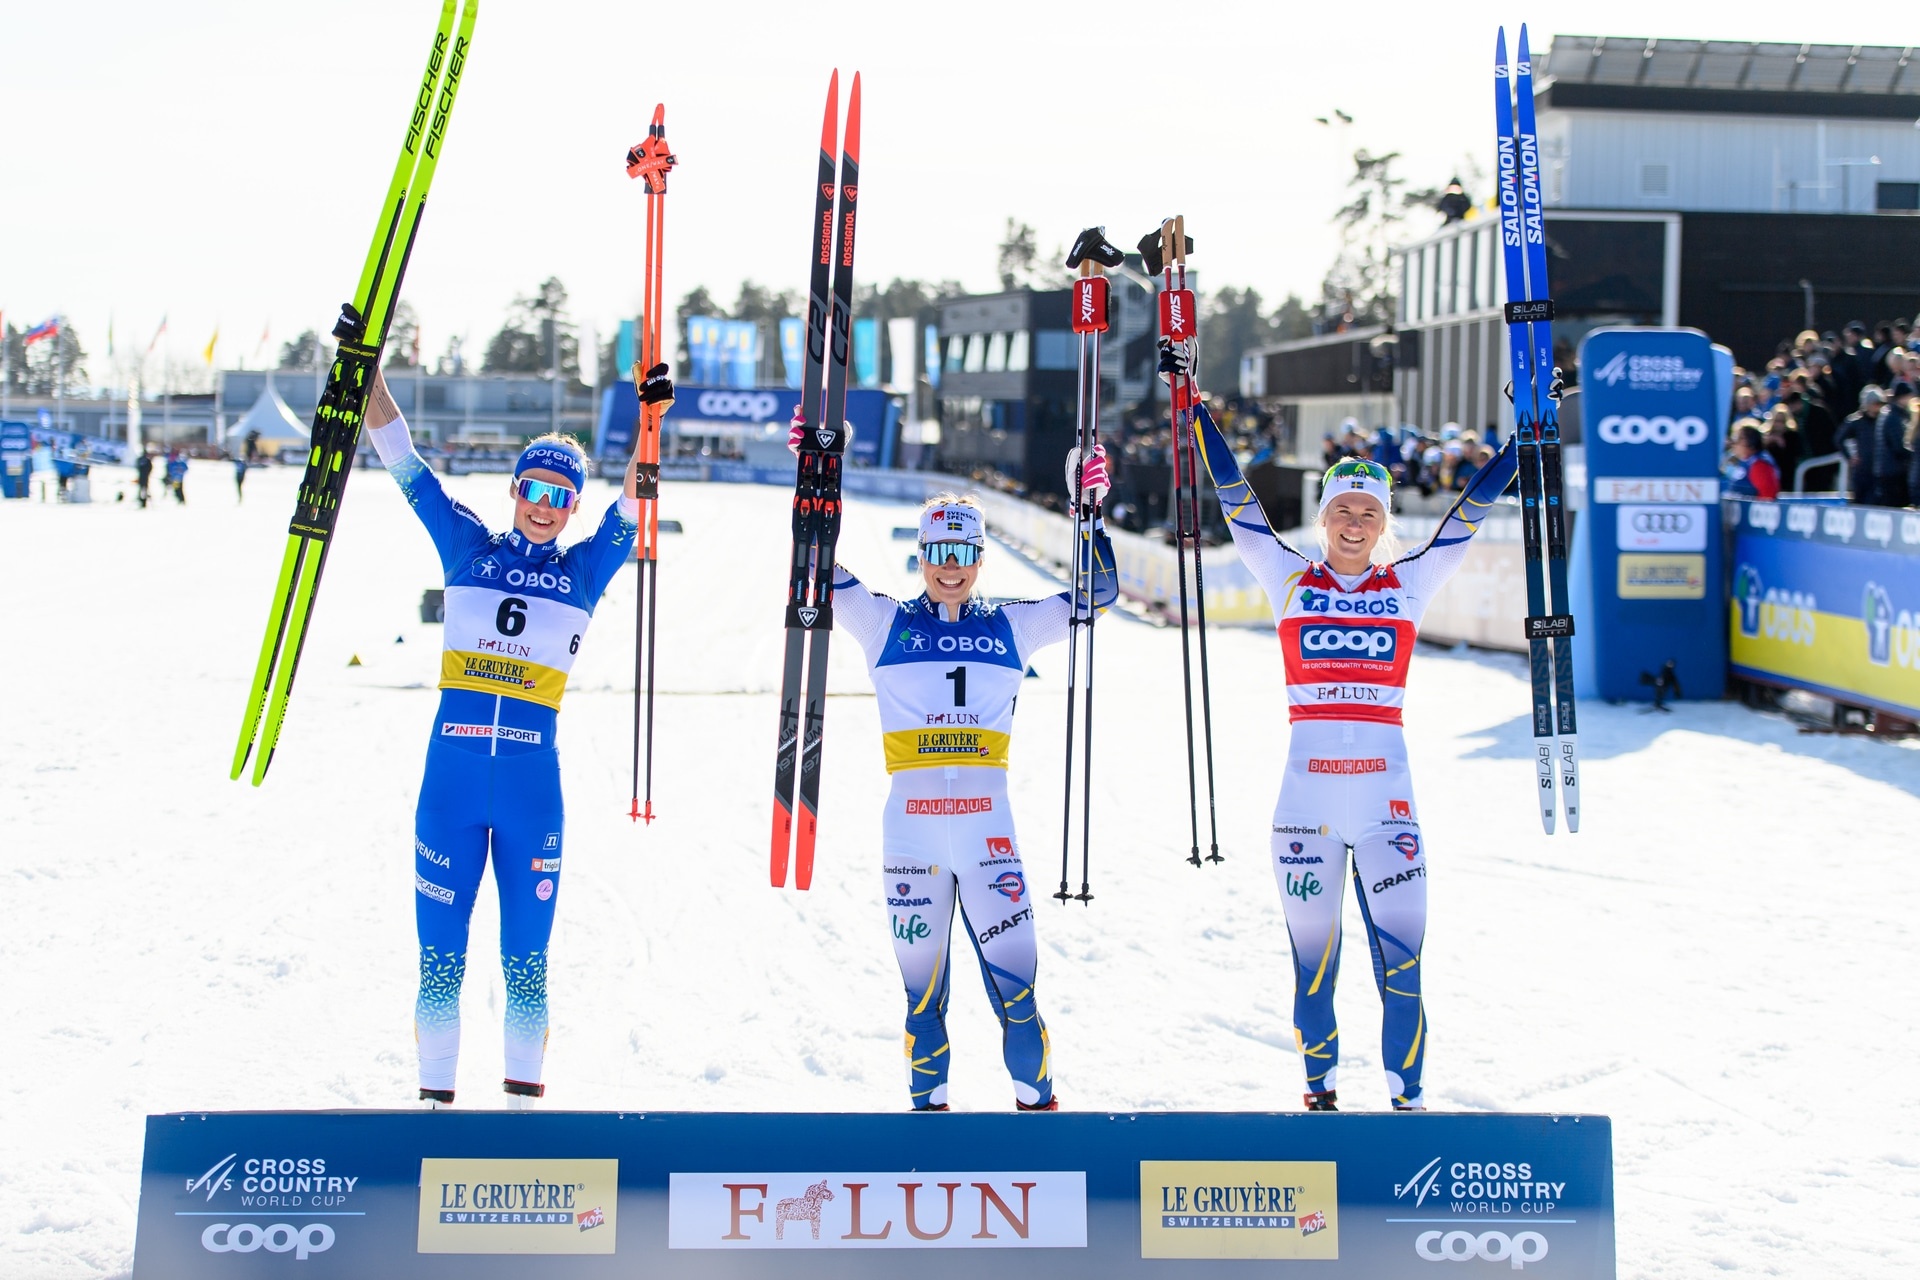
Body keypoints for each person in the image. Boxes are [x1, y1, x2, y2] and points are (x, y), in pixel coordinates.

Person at [1177, 338, 1518, 1112]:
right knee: (1314, 967)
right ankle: (1320, 1099)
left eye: (1368, 511)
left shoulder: (1410, 581)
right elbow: (1238, 504)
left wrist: (1515, 449)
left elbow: (1471, 512)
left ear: (1384, 520)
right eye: (1342, 511)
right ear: (1324, 518)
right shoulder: (1288, 576)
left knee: (1403, 968)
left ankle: (1408, 1104)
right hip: (1305, 811)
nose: (1355, 523)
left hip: (1386, 808)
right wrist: (1198, 414)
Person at [363, 361, 674, 1108]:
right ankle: (434, 1104)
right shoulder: (466, 546)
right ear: (514, 490)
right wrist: (365, 369)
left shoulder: (584, 572)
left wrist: (651, 422)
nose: (543, 506)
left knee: (526, 961)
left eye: (559, 497)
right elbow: (402, 459)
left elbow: (635, 501)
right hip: (452, 787)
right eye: (532, 489)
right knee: (440, 959)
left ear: (572, 508)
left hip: (534, 792)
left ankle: (520, 1110)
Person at [792, 414, 1117, 1111]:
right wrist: (819, 474)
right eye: (936, 549)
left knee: (1018, 997)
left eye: (962, 551)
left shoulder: (1013, 626)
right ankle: (929, 1126)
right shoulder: (885, 622)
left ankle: (1040, 1116)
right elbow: (812, 571)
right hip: (911, 838)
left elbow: (1098, 597)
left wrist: (1088, 516)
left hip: (986, 835)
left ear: (979, 559)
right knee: (922, 1003)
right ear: (920, 553)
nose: (949, 564)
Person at [1725, 423, 1780, 500]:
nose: (1734, 445)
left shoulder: (1760, 465)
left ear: (1749, 442)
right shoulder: (1744, 462)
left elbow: (1768, 497)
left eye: (1737, 440)